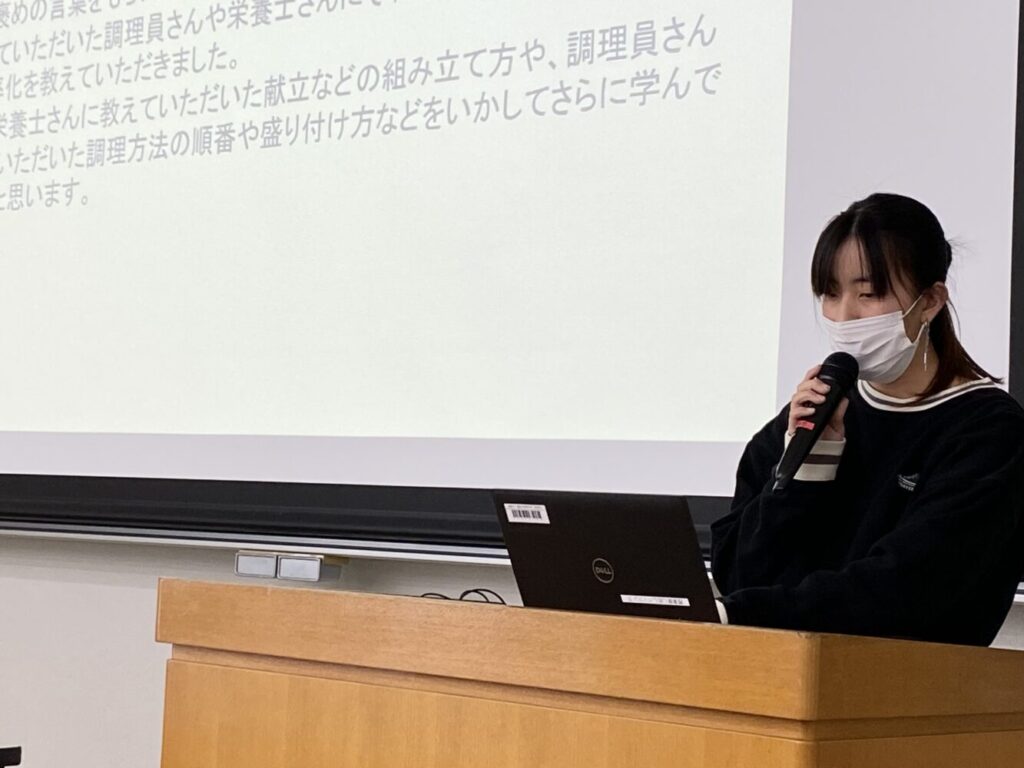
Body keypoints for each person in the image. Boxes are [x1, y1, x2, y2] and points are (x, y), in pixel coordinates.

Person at [710, 192, 1024, 646]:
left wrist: (744, 612)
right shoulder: (812, 415)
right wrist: (804, 474)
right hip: (775, 671)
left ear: (930, 301)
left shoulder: (988, 431)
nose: (844, 316)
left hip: (912, 682)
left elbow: (908, 589)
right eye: (830, 294)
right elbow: (737, 573)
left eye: (868, 294)